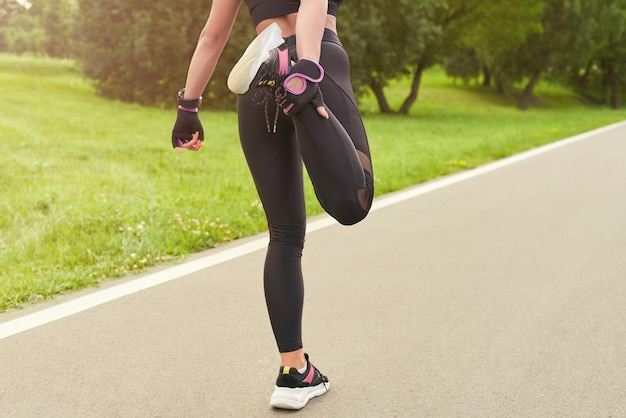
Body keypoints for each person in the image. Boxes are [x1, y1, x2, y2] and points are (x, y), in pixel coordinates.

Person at [171, 0, 374, 410]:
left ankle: (294, 372)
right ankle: (296, 83)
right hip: (314, 62)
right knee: (356, 200)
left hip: (259, 75)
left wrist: (188, 107)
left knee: (284, 234)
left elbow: (213, 34)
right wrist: (308, 66)